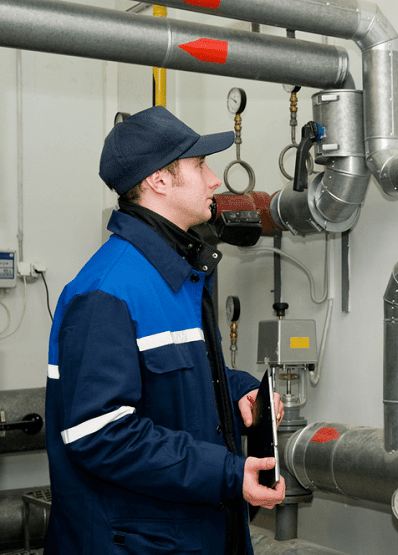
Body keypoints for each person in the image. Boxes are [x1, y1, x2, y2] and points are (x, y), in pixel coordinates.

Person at [44, 106, 285, 554]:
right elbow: (100, 435)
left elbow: (179, 381)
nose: (214, 180)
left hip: (194, 534)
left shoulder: (177, 276)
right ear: (159, 181)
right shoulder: (106, 292)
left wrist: (238, 391)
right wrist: (227, 474)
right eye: (200, 165)